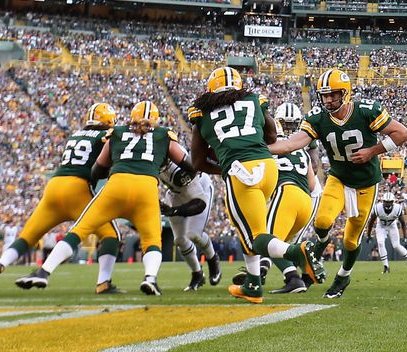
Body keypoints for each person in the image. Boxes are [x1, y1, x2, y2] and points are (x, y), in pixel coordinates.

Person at [16, 101, 188, 296]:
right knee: (152, 240)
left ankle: (44, 271)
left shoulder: (116, 132)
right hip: (146, 188)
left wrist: (104, 173)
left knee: (79, 230)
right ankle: (150, 278)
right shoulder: (164, 134)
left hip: (116, 185)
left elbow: (98, 167)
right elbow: (185, 161)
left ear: (131, 117)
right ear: (156, 119)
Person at [269, 67, 407, 299]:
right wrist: (260, 150)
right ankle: (320, 246)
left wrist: (372, 151)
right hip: (338, 177)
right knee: (322, 222)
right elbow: (291, 144)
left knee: (350, 239)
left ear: (345, 92)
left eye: (333, 94)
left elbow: (403, 134)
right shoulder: (317, 117)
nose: (328, 99)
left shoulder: (366, 110)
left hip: (366, 183)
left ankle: (343, 276)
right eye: (324, 94)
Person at [188, 67, 317, 303]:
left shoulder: (201, 112)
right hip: (268, 169)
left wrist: (226, 164)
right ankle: (253, 285)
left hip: (241, 173)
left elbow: (197, 161)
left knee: (255, 236)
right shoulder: (254, 100)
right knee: (248, 230)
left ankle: (297, 253)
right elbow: (271, 138)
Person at [0, 102, 122, 294]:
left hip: (53, 186)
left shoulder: (75, 135)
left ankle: (1, 263)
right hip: (78, 188)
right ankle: (103, 282)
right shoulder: (107, 135)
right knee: (110, 234)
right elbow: (102, 165)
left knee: (28, 235)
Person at [259, 102, 323, 294]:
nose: (288, 128)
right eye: (284, 123)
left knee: (265, 239)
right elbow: (314, 175)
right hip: (306, 195)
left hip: (287, 191)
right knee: (280, 241)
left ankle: (281, 276)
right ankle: (263, 271)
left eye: (292, 124)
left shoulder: (267, 141)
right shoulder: (302, 146)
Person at [158, 159, 221, 292]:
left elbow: (199, 203)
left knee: (194, 234)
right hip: (175, 192)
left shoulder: (177, 167)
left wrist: (176, 210)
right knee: (180, 240)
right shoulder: (154, 156)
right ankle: (197, 274)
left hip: (199, 190)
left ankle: (212, 258)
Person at [369, 193, 407, 274]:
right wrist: (368, 234)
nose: (387, 204)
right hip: (381, 225)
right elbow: (371, 221)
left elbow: (403, 223)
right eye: (386, 202)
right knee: (380, 243)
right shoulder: (377, 207)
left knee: (396, 246)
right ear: (383, 201)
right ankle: (386, 266)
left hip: (392, 225)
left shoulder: (397, 208)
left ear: (393, 202)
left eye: (389, 202)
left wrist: (405, 237)